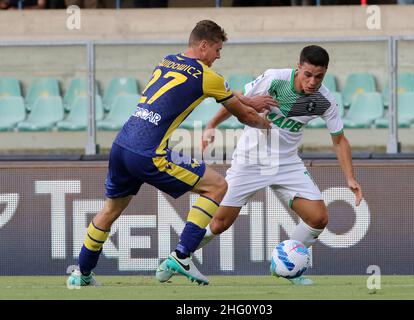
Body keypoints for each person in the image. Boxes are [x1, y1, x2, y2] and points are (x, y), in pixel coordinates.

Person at [67, 20, 273, 287]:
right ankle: (182, 255)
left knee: (110, 210)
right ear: (203, 46)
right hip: (149, 152)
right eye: (218, 50)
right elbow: (243, 115)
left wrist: (248, 99)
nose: (218, 56)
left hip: (121, 146)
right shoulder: (207, 76)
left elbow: (219, 90)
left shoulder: (167, 61)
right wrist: (268, 125)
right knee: (217, 186)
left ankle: (81, 274)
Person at [157, 45, 363, 285]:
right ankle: (178, 257)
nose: (312, 82)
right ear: (298, 67)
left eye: (319, 76)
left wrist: (350, 177)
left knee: (318, 218)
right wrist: (212, 124)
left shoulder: (324, 100)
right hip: (250, 161)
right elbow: (235, 101)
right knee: (219, 223)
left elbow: (339, 139)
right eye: (308, 74)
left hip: (287, 163)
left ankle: (287, 266)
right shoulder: (275, 80)